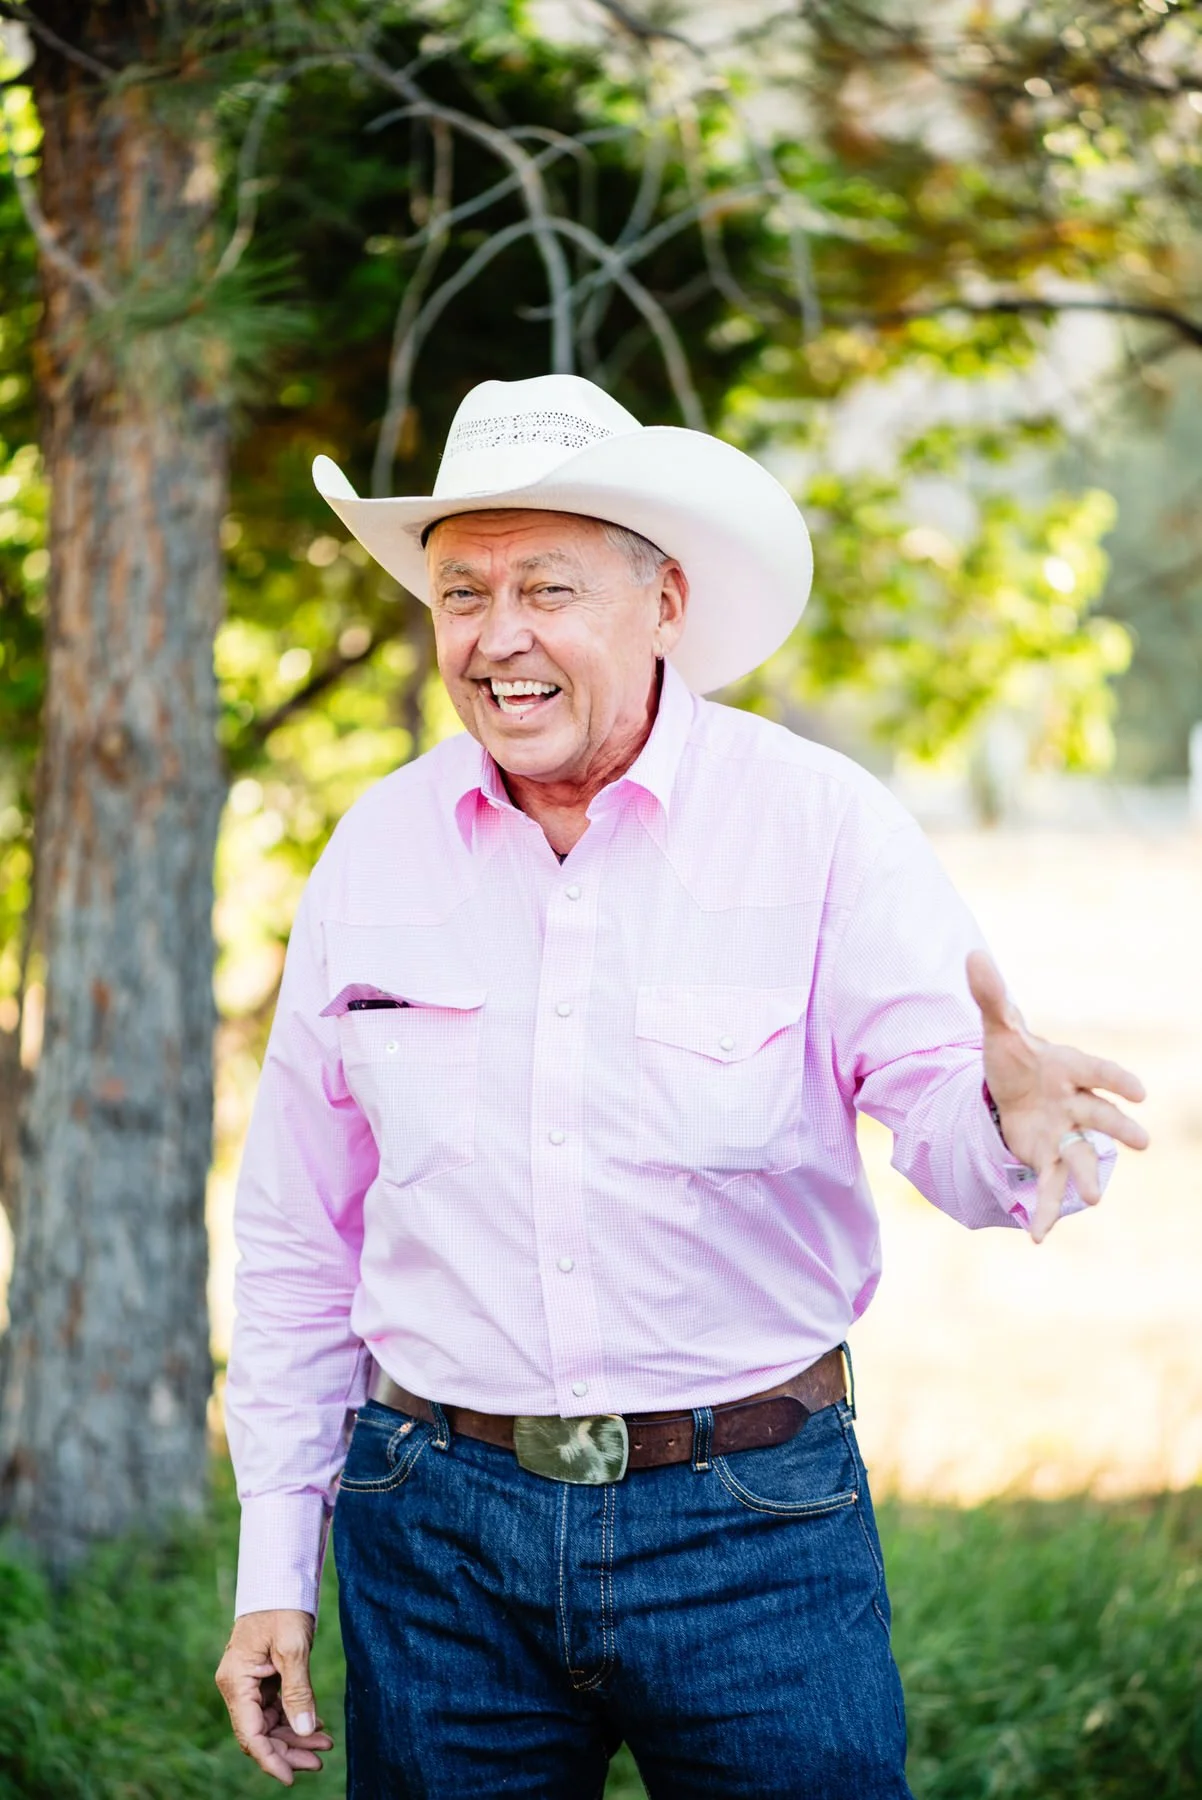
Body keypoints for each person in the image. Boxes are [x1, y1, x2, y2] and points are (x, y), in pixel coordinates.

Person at [214, 374, 1148, 1799]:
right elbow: (294, 1231)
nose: (497, 636)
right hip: (434, 1533)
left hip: (753, 1525)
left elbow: (949, 1124)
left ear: (663, 605)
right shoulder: (373, 852)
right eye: (461, 592)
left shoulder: (817, 825)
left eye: (547, 586)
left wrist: (1001, 1124)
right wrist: (272, 1569)